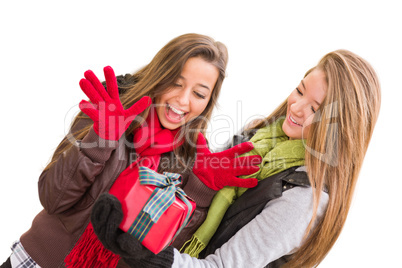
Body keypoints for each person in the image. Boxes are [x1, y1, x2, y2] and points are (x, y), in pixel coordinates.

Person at [91, 49, 381, 267]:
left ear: (340, 127)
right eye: (300, 90)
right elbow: (192, 203)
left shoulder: (303, 199)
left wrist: (150, 253)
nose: (297, 107)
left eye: (315, 108)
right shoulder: (257, 136)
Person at [0, 33, 262, 268]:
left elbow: (156, 255)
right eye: (176, 82)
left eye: (199, 93)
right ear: (160, 75)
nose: (183, 101)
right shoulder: (109, 108)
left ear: (208, 102)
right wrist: (100, 140)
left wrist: (199, 191)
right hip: (36, 261)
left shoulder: (191, 158)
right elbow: (53, 198)